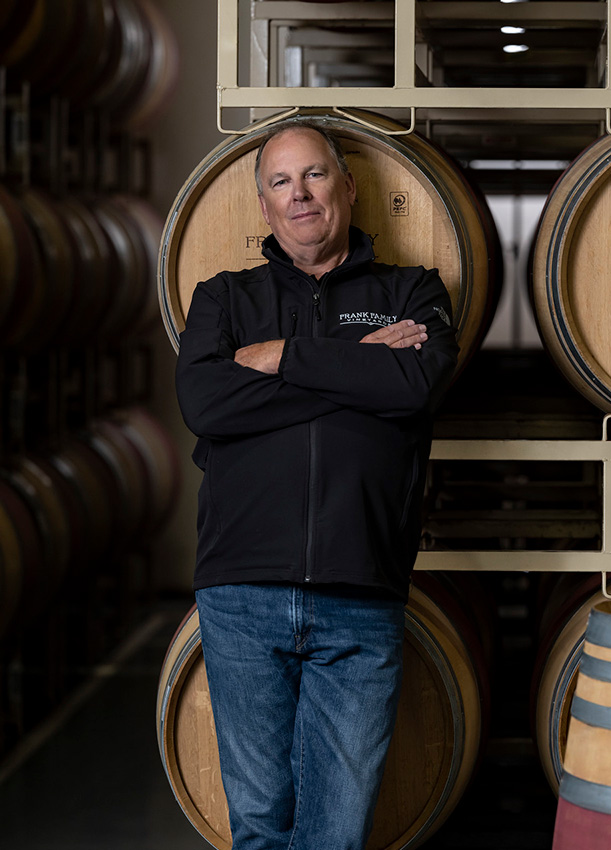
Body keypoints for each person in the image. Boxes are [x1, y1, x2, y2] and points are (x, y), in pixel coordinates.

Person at [174, 118, 459, 850]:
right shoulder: (222, 299)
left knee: (336, 839)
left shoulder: (413, 291)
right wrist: (355, 365)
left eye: (315, 175)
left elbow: (416, 384)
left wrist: (284, 358)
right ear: (265, 207)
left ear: (349, 187)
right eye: (280, 182)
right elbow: (207, 404)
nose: (299, 194)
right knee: (261, 831)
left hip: (361, 591)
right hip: (241, 592)